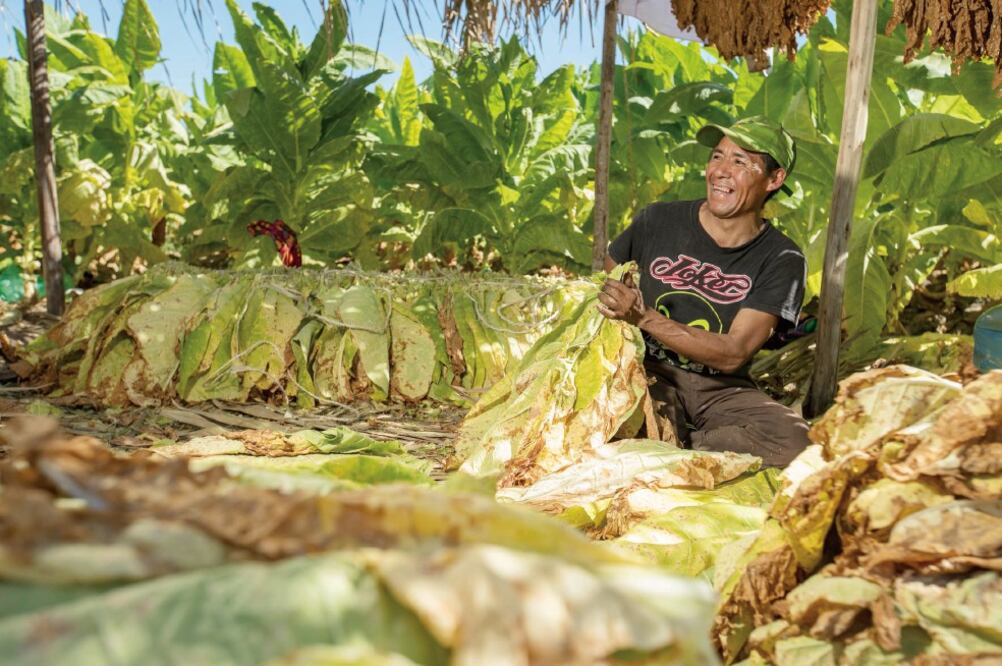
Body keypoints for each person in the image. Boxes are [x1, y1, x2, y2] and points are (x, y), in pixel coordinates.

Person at [597, 116, 810, 467]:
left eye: (740, 161)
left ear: (775, 179)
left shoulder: (782, 258)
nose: (721, 171)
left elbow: (734, 353)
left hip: (720, 388)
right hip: (648, 371)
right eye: (716, 156)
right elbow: (610, 275)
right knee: (622, 422)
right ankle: (676, 440)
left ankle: (681, 443)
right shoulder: (658, 221)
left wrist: (644, 317)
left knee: (796, 443)